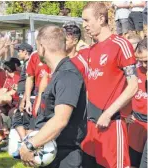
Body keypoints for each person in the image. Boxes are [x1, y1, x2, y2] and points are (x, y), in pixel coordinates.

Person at [19, 25, 87, 168]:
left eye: (37, 47)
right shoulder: (58, 73)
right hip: (52, 154)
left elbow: (60, 120)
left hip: (65, 158)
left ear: (42, 47)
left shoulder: (68, 75)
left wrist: (30, 145)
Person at [81, 2, 138, 168]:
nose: (84, 25)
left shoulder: (120, 45)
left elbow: (133, 85)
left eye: (86, 20)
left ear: (100, 19)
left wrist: (108, 113)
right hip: (91, 125)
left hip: (112, 124)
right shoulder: (91, 49)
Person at [126, 38, 147, 168]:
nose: (143, 65)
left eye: (146, 61)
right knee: (132, 163)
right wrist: (125, 114)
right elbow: (123, 93)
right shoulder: (134, 71)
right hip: (136, 123)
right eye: (140, 61)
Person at [11, 43, 35, 140]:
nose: (18, 54)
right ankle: (26, 143)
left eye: (19, 51)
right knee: (23, 122)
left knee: (21, 121)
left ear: (25, 51)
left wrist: (24, 100)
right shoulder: (26, 63)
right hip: (24, 96)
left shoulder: (29, 62)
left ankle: (26, 143)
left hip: (26, 97)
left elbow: (29, 82)